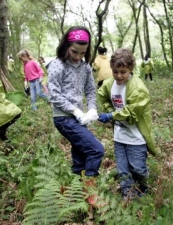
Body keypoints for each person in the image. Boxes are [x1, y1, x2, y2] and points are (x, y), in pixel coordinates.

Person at [47, 26, 104, 206]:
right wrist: (75, 110)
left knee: (80, 157)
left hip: (79, 118)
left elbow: (90, 89)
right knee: (96, 150)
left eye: (82, 52)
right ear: (66, 45)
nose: (78, 56)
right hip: (63, 117)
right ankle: (91, 193)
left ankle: (73, 194)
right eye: (74, 51)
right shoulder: (57, 65)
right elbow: (54, 94)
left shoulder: (85, 67)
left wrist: (92, 108)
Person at [97, 48, 156, 199]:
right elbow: (102, 95)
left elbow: (131, 112)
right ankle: (128, 194)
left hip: (136, 137)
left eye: (123, 71)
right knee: (123, 169)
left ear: (131, 69)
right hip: (120, 136)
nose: (118, 75)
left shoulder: (138, 88)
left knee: (138, 168)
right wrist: (109, 109)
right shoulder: (110, 84)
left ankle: (144, 186)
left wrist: (111, 115)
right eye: (115, 71)